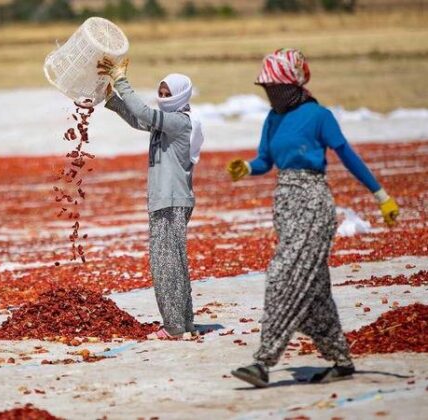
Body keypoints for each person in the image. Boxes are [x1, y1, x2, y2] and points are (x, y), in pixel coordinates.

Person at [227, 49, 399, 387]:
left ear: (292, 84)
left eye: (276, 87)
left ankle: (263, 362)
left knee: (282, 276)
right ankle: (341, 361)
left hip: (313, 203)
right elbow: (266, 159)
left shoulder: (318, 116)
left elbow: (347, 155)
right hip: (286, 207)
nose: (270, 93)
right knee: (314, 292)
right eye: (267, 88)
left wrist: (382, 196)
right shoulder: (273, 118)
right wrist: (247, 167)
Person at [98, 57, 204, 339]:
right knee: (175, 262)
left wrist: (121, 81)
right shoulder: (167, 123)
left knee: (165, 264)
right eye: (161, 92)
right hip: (167, 200)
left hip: (170, 201)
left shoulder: (179, 122)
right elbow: (138, 120)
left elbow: (145, 113)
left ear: (182, 95)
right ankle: (185, 323)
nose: (163, 97)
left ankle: (172, 326)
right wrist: (112, 98)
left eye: (169, 94)